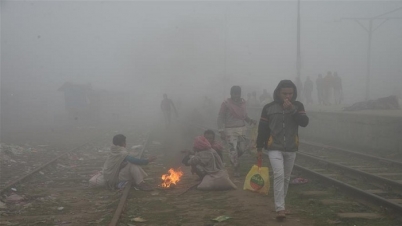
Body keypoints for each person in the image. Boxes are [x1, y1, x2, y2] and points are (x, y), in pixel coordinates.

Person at [256, 80, 309, 220]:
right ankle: (280, 208)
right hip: (274, 147)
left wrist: (292, 109)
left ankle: (282, 205)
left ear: (294, 93)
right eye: (284, 93)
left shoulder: (298, 106)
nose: (287, 96)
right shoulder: (269, 108)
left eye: (290, 93)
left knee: (286, 178)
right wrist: (259, 147)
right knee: (279, 175)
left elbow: (304, 122)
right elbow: (262, 128)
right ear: (278, 92)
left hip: (291, 148)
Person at [217, 86, 256, 177]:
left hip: (242, 129)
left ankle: (233, 159)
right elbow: (220, 117)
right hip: (230, 130)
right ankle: (236, 168)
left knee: (243, 148)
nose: (236, 95)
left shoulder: (242, 103)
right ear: (231, 93)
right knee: (233, 150)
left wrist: (250, 121)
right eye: (234, 93)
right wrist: (221, 130)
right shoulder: (226, 104)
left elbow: (244, 116)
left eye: (238, 93)